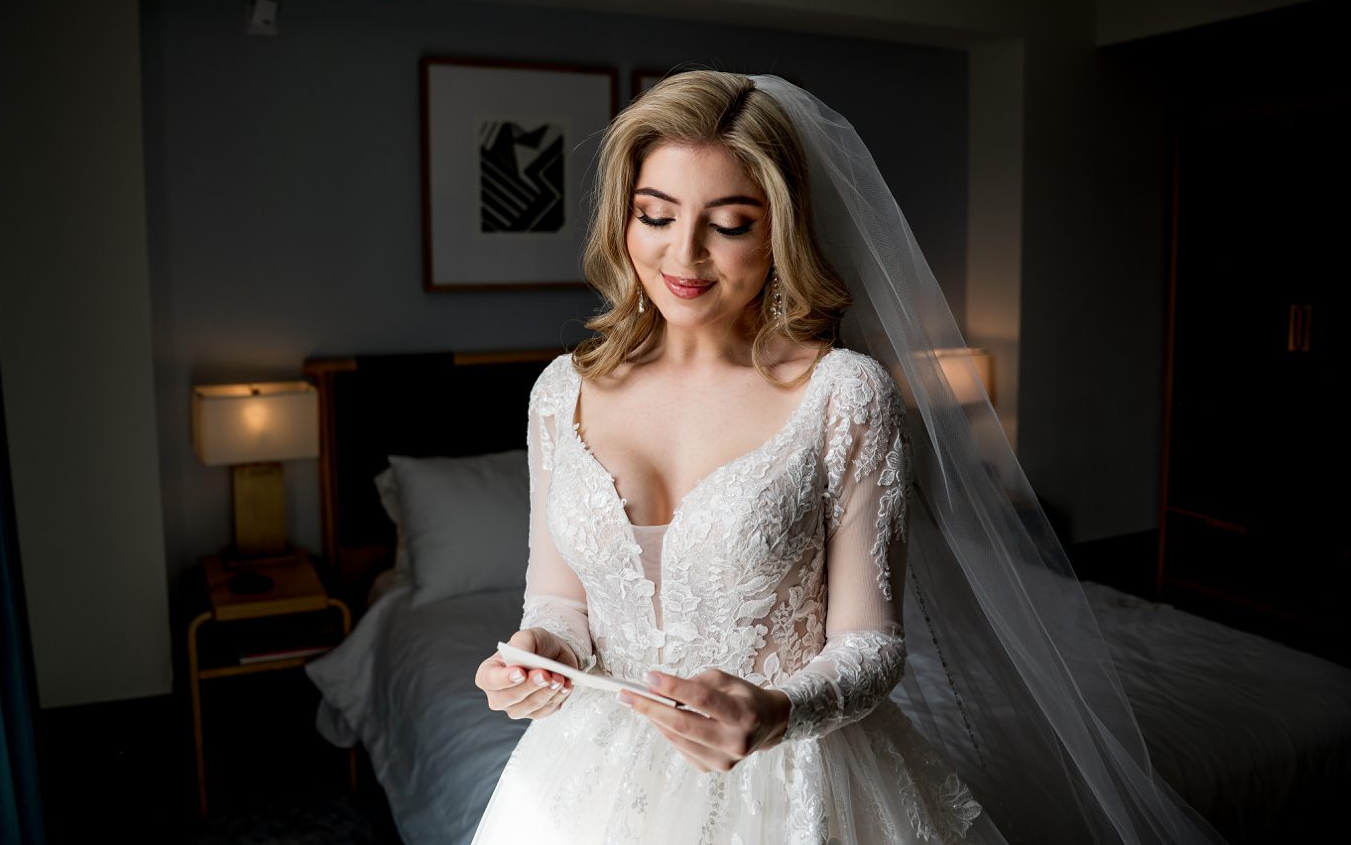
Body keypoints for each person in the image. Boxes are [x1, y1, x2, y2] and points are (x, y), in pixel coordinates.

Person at [470, 70, 1229, 844]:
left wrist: (776, 712)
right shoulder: (563, 392)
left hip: (792, 777)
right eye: (654, 215)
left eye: (728, 223)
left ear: (781, 230)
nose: (683, 254)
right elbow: (557, 602)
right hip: (590, 772)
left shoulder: (845, 395)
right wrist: (541, 656)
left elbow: (870, 645)